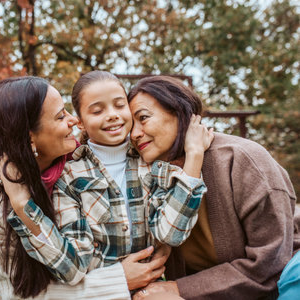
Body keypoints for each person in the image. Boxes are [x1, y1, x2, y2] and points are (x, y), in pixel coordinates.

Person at [0, 76, 178, 300]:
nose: (74, 121)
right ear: (30, 138)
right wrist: (120, 279)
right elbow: (18, 296)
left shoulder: (70, 167)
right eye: (60, 117)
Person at [2, 71, 213, 286]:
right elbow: (72, 270)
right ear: (81, 123)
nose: (112, 115)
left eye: (120, 105)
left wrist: (194, 156)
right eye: (97, 110)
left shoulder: (150, 163)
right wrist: (23, 208)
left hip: (152, 291)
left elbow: (170, 234)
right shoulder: (70, 177)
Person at [127, 75, 299, 300]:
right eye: (130, 126)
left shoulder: (243, 160)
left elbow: (271, 265)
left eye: (143, 118)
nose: (134, 134)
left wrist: (179, 289)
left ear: (180, 113)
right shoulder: (144, 175)